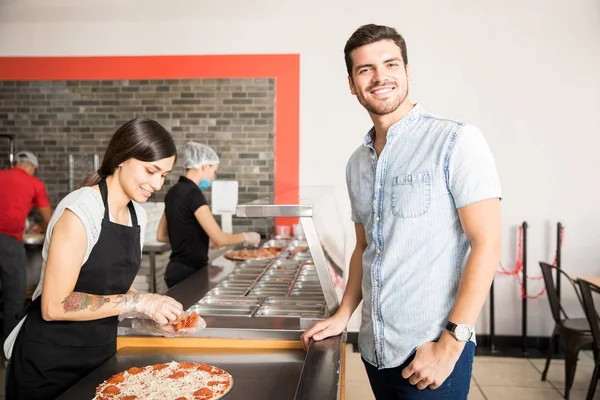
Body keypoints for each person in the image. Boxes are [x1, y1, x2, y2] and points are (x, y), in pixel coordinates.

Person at [301, 24, 502, 399]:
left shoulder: (456, 140)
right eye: (365, 70)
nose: (380, 78)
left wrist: (450, 346)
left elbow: (487, 244)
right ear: (351, 83)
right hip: (375, 350)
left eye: (390, 64)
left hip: (431, 352)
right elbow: (364, 248)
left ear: (406, 71)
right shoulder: (356, 163)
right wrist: (344, 314)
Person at [3, 118, 185, 400]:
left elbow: (114, 284)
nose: (157, 184)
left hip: (99, 357)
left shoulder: (137, 213)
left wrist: (146, 309)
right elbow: (54, 305)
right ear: (123, 157)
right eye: (151, 171)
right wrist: (136, 302)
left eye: (164, 175)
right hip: (50, 364)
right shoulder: (81, 211)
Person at [157, 142, 260, 288]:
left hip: (174, 271)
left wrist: (198, 239)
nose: (212, 178)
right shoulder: (194, 194)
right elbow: (220, 239)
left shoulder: (173, 192)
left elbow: (161, 235)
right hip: (190, 273)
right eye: (214, 171)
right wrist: (247, 236)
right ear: (205, 166)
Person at [0, 151, 53, 344]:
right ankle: (9, 351)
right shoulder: (34, 183)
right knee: (13, 296)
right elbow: (49, 218)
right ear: (31, 167)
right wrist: (43, 225)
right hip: (8, 242)